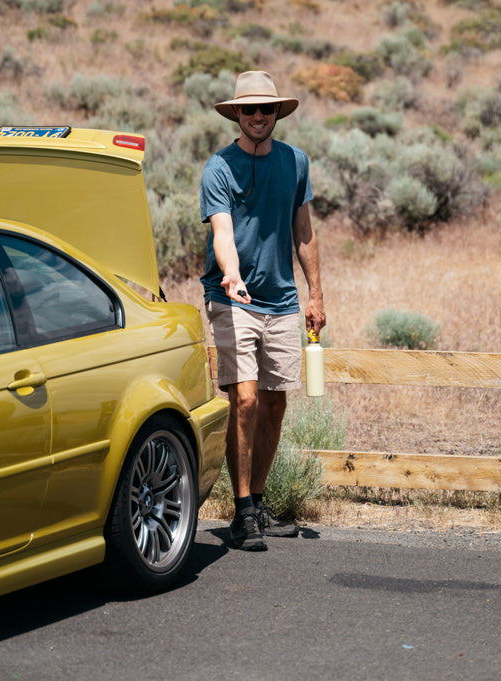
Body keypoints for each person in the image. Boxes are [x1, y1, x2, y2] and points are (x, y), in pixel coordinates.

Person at [199, 71, 326, 551]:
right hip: (232, 298)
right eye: (248, 110)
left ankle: (259, 500)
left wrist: (315, 295)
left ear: (277, 113)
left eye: (265, 109)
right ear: (236, 114)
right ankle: (242, 511)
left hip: (282, 300)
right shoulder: (219, 168)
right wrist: (231, 274)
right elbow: (223, 232)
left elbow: (304, 231)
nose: (257, 116)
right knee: (245, 401)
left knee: (275, 403)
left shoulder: (295, 162)